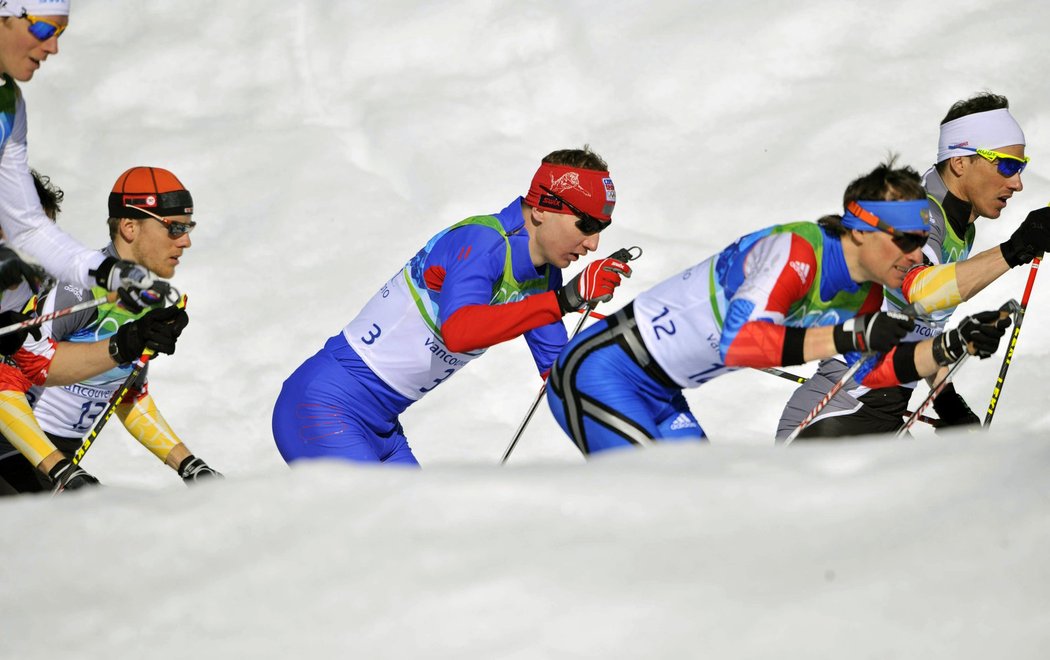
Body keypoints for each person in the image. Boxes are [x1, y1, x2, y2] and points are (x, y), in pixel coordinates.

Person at [545, 161, 1012, 455]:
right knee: (664, 515)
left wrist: (954, 344)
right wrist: (846, 336)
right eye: (907, 241)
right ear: (863, 230)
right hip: (601, 372)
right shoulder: (795, 251)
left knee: (706, 516)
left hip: (663, 391)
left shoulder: (863, 292)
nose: (916, 256)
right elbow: (742, 342)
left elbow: (873, 371)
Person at [272, 147, 631, 465]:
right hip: (323, 405)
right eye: (585, 225)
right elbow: (460, 332)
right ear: (541, 209)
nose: (594, 244)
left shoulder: (542, 277)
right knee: (387, 534)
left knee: (425, 534)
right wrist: (566, 300)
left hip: (382, 427)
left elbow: (561, 376)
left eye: (602, 228)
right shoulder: (482, 242)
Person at [776, 93, 1050, 440]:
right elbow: (920, 291)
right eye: (1007, 166)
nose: (1017, 182)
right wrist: (1017, 248)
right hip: (835, 416)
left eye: (1021, 167)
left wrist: (946, 399)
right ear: (960, 162)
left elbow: (917, 322)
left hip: (880, 420)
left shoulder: (958, 226)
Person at [0, 166, 212, 494]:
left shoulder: (140, 298)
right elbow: (11, 378)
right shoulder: (77, 289)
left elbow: (126, 393)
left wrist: (190, 465)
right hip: (21, 454)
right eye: (174, 227)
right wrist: (60, 469)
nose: (185, 240)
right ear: (129, 226)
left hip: (42, 457)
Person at [0, 1, 161, 307]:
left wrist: (111, 273)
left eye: (60, 31)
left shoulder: (10, 104)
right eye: (44, 28)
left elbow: (29, 227)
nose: (53, 47)